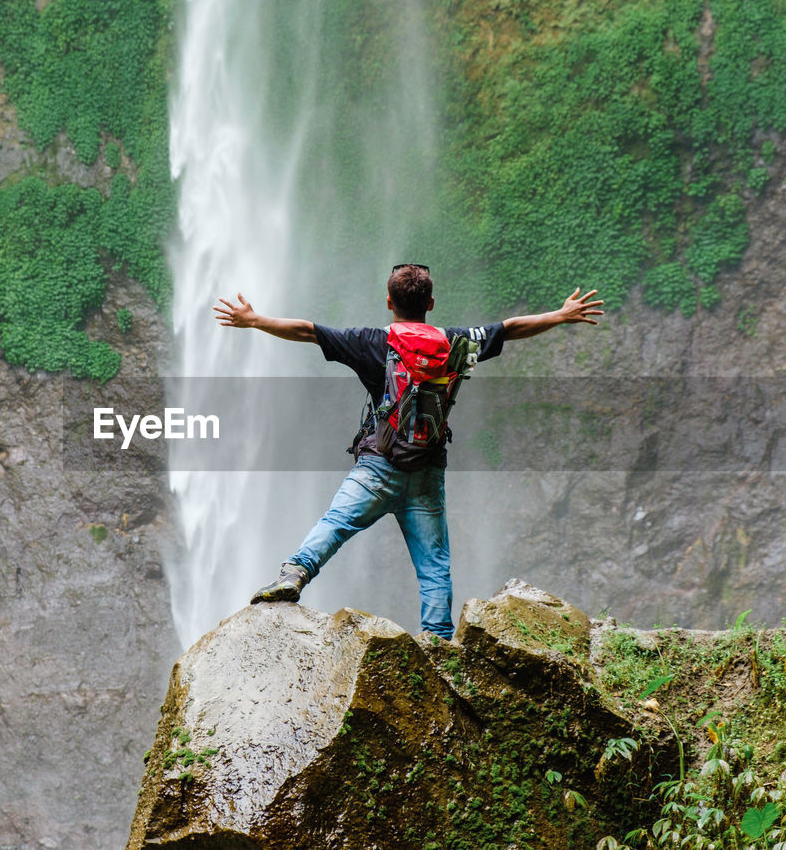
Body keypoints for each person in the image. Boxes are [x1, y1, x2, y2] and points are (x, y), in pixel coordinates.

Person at [213, 263, 604, 639]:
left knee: (335, 523)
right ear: (430, 304)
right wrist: (561, 314)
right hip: (427, 473)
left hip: (377, 467)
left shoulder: (371, 342)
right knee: (434, 567)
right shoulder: (456, 342)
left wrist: (254, 320)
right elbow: (510, 328)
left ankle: (293, 576)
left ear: (389, 302)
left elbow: (308, 331)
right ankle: (437, 640)